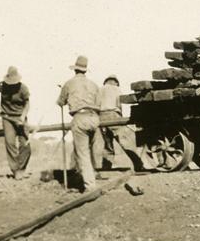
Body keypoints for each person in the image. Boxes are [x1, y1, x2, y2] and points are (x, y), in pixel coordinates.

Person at [57, 55, 103, 191]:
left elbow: (60, 102)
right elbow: (99, 103)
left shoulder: (69, 83)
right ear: (85, 70)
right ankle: (93, 175)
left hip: (80, 117)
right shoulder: (94, 85)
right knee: (92, 149)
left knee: (82, 153)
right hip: (94, 118)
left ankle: (90, 186)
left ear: (75, 70)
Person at [97, 75, 145, 171]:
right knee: (124, 141)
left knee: (107, 144)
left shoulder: (99, 89)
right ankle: (138, 164)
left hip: (101, 116)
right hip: (113, 114)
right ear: (115, 82)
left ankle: (107, 167)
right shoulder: (116, 89)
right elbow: (119, 104)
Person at [0, 66, 32, 179]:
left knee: (25, 144)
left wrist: (22, 117)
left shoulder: (23, 88)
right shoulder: (1, 86)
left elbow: (27, 104)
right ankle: (15, 171)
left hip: (20, 117)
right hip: (7, 117)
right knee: (10, 143)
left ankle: (21, 168)